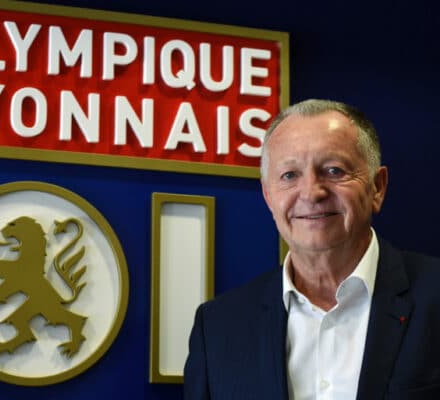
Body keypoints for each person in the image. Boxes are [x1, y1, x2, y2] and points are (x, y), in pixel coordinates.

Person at [183, 99, 440, 399]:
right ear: (268, 196)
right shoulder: (218, 327)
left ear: (377, 187)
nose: (311, 193)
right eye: (290, 175)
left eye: (334, 170)